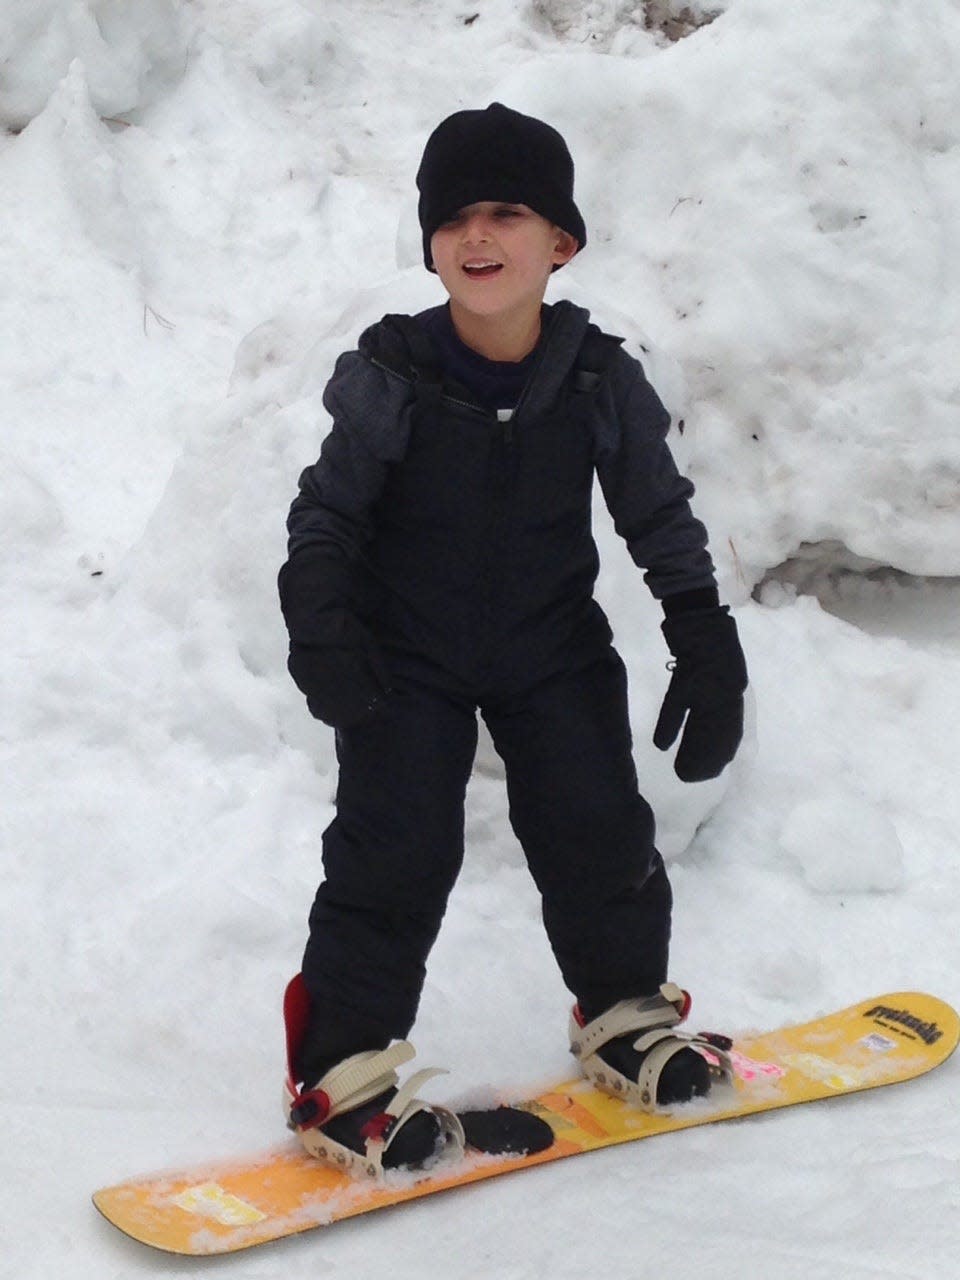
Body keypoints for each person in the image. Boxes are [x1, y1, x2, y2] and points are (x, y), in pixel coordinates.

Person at [278, 102, 748, 1175]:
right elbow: (330, 509)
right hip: (408, 657)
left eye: (507, 213)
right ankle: (341, 1072)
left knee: (598, 827)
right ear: (431, 242)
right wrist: (321, 614)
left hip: (550, 646)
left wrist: (703, 632)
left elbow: (657, 513)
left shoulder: (594, 378)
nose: (478, 238)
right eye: (455, 220)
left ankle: (625, 1013)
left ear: (560, 243)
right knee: (395, 849)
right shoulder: (394, 371)